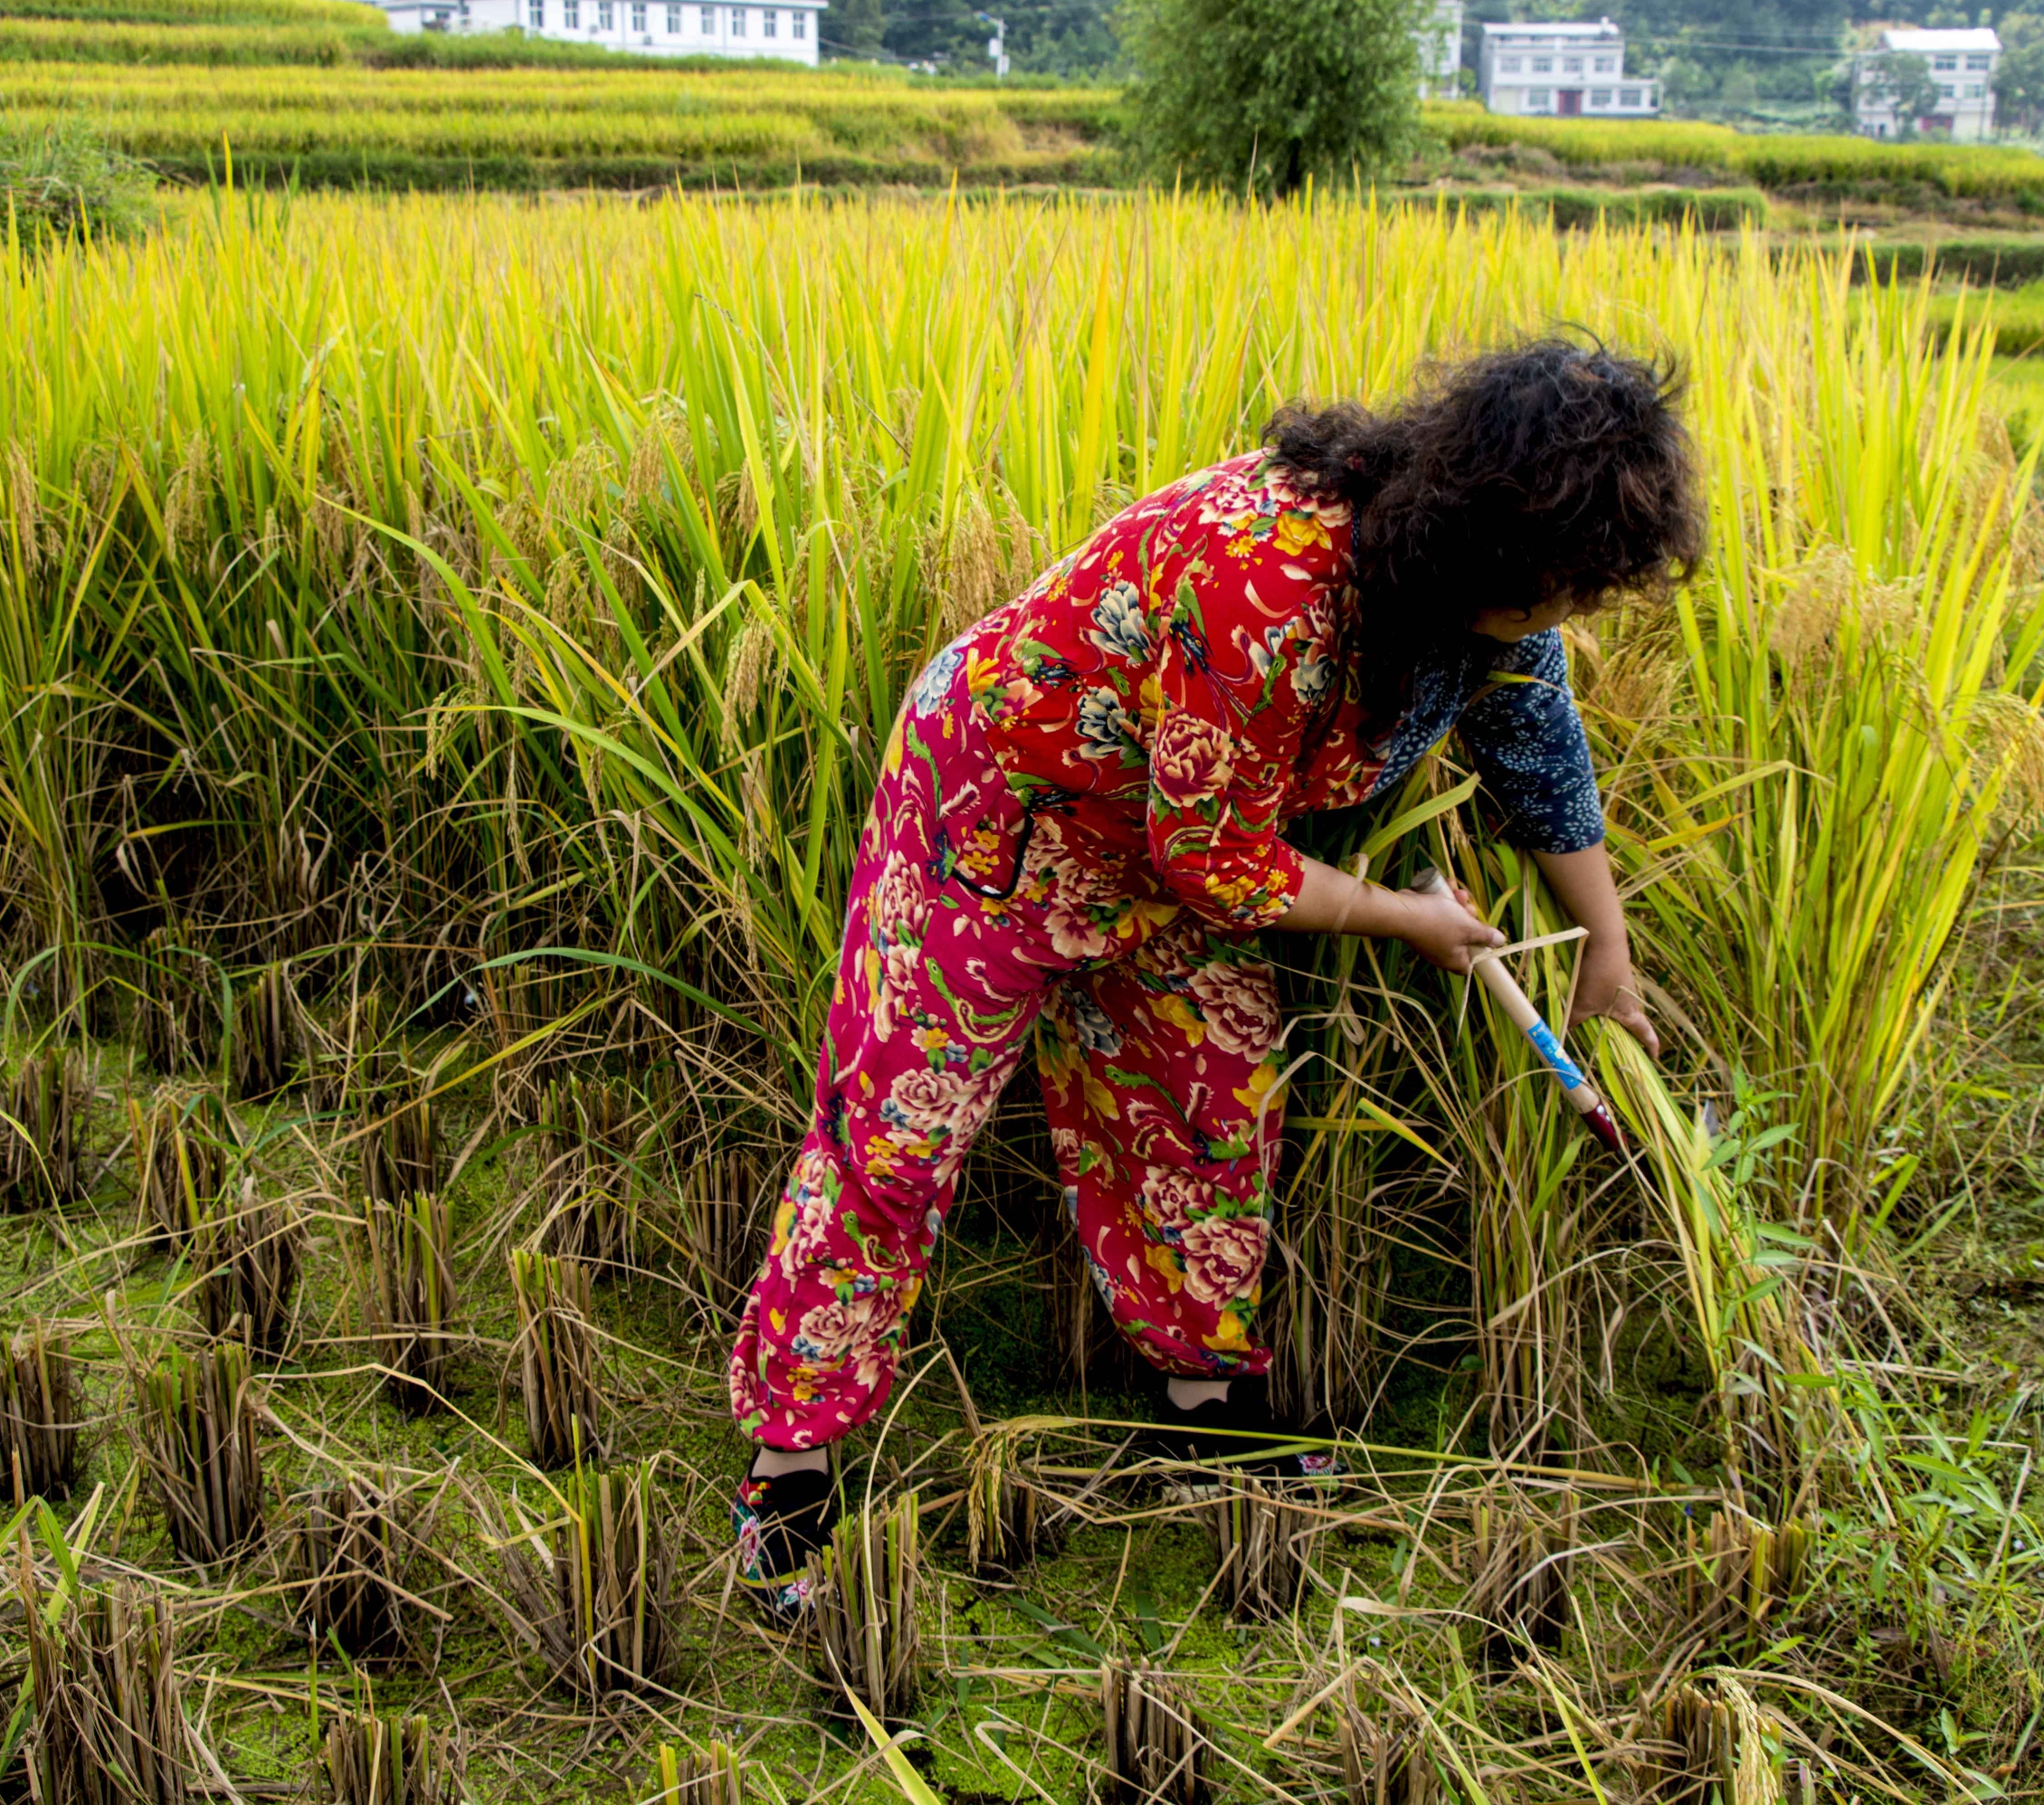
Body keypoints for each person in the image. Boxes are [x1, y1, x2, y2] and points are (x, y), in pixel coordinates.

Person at [726, 340, 1703, 1614]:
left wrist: (1608, 958)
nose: (1566, 615)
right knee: (901, 1134)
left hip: (1170, 840)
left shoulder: (1486, 597)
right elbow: (1219, 860)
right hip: (1001, 814)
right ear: (1485, 534)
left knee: (1204, 1110)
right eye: (1559, 592)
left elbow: (1535, 752)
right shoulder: (1273, 575)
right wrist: (1400, 916)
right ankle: (785, 1468)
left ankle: (1203, 1408)